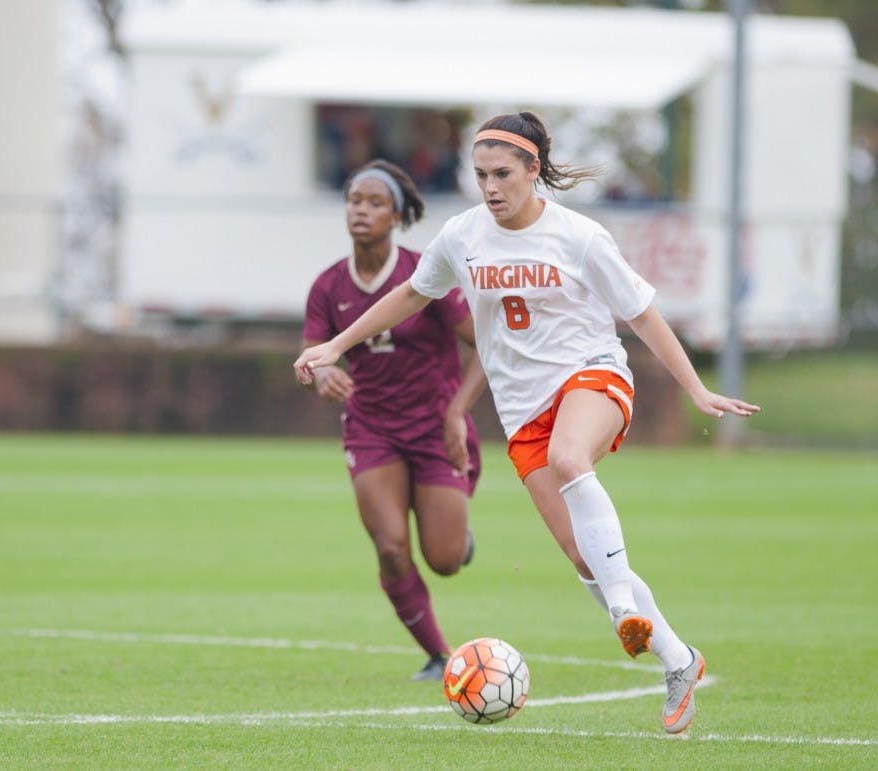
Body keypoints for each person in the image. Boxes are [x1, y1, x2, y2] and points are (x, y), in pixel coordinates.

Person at [295, 113, 760, 732]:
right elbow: (410, 294)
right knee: (583, 557)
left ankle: (623, 609)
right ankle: (678, 660)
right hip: (523, 411)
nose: (490, 187)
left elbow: (642, 314)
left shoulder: (580, 237)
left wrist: (696, 389)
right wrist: (336, 345)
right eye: (480, 175)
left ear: (533, 169)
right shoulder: (463, 235)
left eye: (502, 174)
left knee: (571, 459)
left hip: (592, 376)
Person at [300, 159, 484, 681]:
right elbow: (313, 356)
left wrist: (457, 410)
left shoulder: (425, 274)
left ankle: (458, 539)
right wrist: (322, 374)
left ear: (397, 217)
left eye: (375, 203)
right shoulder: (328, 285)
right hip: (371, 429)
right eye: (354, 201)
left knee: (444, 559)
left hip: (435, 428)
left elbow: (486, 347)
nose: (361, 211)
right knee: (390, 546)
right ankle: (439, 655)